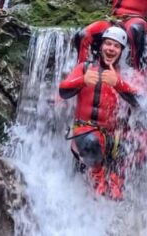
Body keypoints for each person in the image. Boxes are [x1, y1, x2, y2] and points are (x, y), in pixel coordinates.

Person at [59, 27, 139, 200]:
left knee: (141, 139)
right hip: (86, 132)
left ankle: (117, 179)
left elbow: (140, 102)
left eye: (116, 46)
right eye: (108, 44)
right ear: (101, 46)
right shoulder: (84, 68)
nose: (111, 49)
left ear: (121, 52)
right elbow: (63, 91)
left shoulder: (125, 75)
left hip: (112, 135)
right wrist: (82, 81)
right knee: (90, 140)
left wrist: (118, 84)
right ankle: (98, 177)